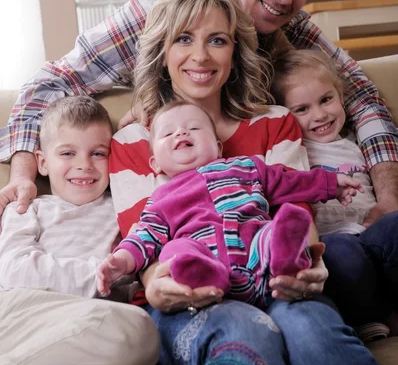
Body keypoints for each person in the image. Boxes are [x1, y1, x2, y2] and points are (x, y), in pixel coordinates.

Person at [109, 0, 398, 365]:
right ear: (162, 51)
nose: (201, 56)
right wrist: (158, 283)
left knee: (308, 324)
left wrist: (309, 260)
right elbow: (145, 235)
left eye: (218, 40)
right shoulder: (133, 142)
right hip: (188, 296)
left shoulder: (274, 123)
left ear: (236, 52)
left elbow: (296, 212)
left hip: (270, 275)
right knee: (245, 330)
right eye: (184, 38)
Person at [1, 0, 398, 230]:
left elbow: (362, 93)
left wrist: (389, 201)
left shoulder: (289, 26)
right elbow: (51, 82)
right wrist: (22, 175)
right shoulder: (168, 6)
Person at [0, 96, 181, 365]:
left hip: (96, 339)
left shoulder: (123, 207)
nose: (84, 165)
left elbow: (139, 266)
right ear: (41, 162)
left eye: (98, 153)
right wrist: (100, 276)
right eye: (67, 153)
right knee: (137, 329)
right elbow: (16, 272)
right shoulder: (29, 206)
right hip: (31, 313)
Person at [98, 100, 362, 306]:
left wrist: (331, 184)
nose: (181, 132)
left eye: (194, 128)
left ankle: (285, 255)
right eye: (168, 133)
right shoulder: (161, 199)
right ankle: (197, 271)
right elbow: (144, 236)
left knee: (274, 230)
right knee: (175, 250)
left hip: (259, 259)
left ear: (218, 147)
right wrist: (121, 260)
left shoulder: (246, 168)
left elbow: (290, 181)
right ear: (156, 164)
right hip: (209, 270)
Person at [272, 48, 398, 342]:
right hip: (334, 239)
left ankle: (393, 308)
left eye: (326, 99)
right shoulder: (296, 150)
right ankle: (365, 317)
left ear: (340, 94)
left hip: (372, 231)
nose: (319, 115)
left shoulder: (358, 142)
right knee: (342, 257)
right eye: (301, 109)